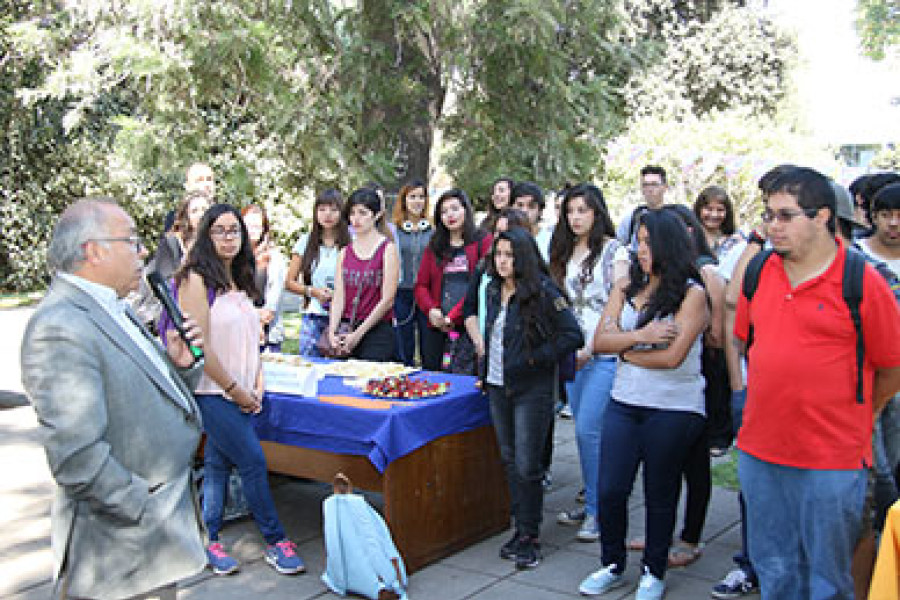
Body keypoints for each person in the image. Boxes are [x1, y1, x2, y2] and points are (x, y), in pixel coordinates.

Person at [21, 198, 208, 600]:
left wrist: (178, 367)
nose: (142, 251)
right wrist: (144, 508)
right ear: (94, 251)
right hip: (122, 554)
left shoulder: (111, 307)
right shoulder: (60, 326)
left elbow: (142, 392)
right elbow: (77, 458)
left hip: (153, 545)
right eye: (132, 240)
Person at [733, 167, 900, 599]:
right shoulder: (759, 271)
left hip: (832, 459)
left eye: (786, 215)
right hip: (761, 452)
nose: (773, 226)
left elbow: (892, 368)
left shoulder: (862, 281)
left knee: (828, 580)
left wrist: (862, 414)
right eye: (769, 215)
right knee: (775, 570)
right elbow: (746, 342)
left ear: (822, 216)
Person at [579, 208, 708, 600]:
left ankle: (654, 570)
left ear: (670, 245)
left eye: (650, 242)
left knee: (660, 491)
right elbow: (600, 342)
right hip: (624, 401)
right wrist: (642, 336)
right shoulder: (625, 287)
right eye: (639, 241)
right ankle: (612, 563)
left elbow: (672, 358)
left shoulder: (692, 294)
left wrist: (624, 349)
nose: (641, 250)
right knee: (611, 489)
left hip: (673, 406)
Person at [176, 203, 305, 577]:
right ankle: (276, 540)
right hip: (212, 391)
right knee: (252, 461)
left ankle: (209, 540)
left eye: (234, 230)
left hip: (244, 390)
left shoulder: (241, 277)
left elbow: (251, 339)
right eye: (219, 230)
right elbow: (200, 349)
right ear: (206, 235)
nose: (228, 238)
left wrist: (257, 382)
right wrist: (235, 390)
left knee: (217, 466)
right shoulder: (195, 279)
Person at [483, 228, 584, 570]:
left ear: (524, 257)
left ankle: (530, 535)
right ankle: (520, 526)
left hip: (532, 388)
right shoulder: (493, 289)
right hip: (497, 384)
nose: (502, 262)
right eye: (498, 254)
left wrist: (534, 359)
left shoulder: (542, 291)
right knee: (509, 458)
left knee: (528, 463)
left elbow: (572, 335)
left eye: (510, 255)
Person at [548, 184, 629, 543]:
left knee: (588, 430)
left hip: (603, 353)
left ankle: (599, 511)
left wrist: (592, 346)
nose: (575, 218)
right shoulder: (563, 250)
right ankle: (594, 499)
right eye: (570, 211)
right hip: (571, 352)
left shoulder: (615, 251)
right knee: (585, 434)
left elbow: (618, 302)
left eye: (583, 210)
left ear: (597, 212)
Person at [415, 188, 492, 371]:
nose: (450, 215)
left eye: (455, 209)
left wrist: (454, 316)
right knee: (433, 374)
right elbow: (421, 285)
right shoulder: (434, 245)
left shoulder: (483, 241)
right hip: (437, 325)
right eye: (444, 211)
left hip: (470, 325)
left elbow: (480, 286)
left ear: (466, 210)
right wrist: (431, 310)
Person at [327, 187, 400, 361]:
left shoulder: (388, 249)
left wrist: (359, 334)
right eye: (352, 213)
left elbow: (387, 300)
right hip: (347, 326)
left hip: (377, 330)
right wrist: (332, 331)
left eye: (362, 213)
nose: (356, 219)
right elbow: (339, 296)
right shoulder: (345, 252)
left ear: (376, 215)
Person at [285, 189, 350, 356]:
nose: (328, 214)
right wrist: (312, 292)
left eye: (333, 209)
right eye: (322, 209)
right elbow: (289, 282)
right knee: (309, 363)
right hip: (313, 315)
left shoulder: (352, 242)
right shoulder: (305, 241)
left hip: (344, 317)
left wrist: (338, 295)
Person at [392, 180, 434, 365]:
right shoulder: (395, 231)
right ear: (404, 200)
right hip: (402, 292)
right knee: (404, 345)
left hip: (427, 293)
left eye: (421, 197)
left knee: (428, 345)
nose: (417, 201)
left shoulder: (433, 230)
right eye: (412, 197)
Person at [242, 204, 288, 351]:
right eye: (249, 226)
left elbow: (273, 303)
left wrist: (259, 321)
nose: (253, 230)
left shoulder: (275, 259)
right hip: (239, 335)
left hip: (268, 337)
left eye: (257, 226)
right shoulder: (234, 258)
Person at [616, 165, 670, 247]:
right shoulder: (632, 219)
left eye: (654, 184)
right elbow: (617, 247)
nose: (650, 189)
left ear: (665, 187)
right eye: (646, 185)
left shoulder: (675, 217)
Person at [693, 185, 744, 261]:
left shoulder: (736, 239)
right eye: (709, 209)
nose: (714, 215)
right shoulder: (689, 235)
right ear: (699, 209)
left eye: (720, 210)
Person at [511, 181, 552, 260]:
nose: (524, 211)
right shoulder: (503, 237)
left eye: (531, 206)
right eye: (520, 205)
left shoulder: (551, 241)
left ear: (540, 211)